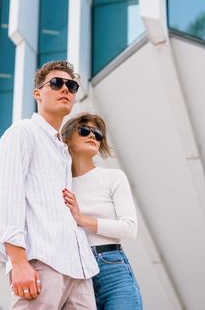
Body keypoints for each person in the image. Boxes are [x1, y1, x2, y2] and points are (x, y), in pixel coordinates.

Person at [0, 61, 99, 309]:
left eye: (71, 86)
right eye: (57, 83)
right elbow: (7, 197)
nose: (65, 89)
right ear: (37, 93)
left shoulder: (63, 151)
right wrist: (18, 262)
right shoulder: (23, 132)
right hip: (42, 262)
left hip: (79, 271)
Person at [61, 113, 143, 310]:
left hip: (112, 268)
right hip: (76, 274)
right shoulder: (61, 184)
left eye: (98, 134)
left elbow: (129, 228)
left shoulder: (113, 177)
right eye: (84, 130)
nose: (92, 136)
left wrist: (82, 219)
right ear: (67, 138)